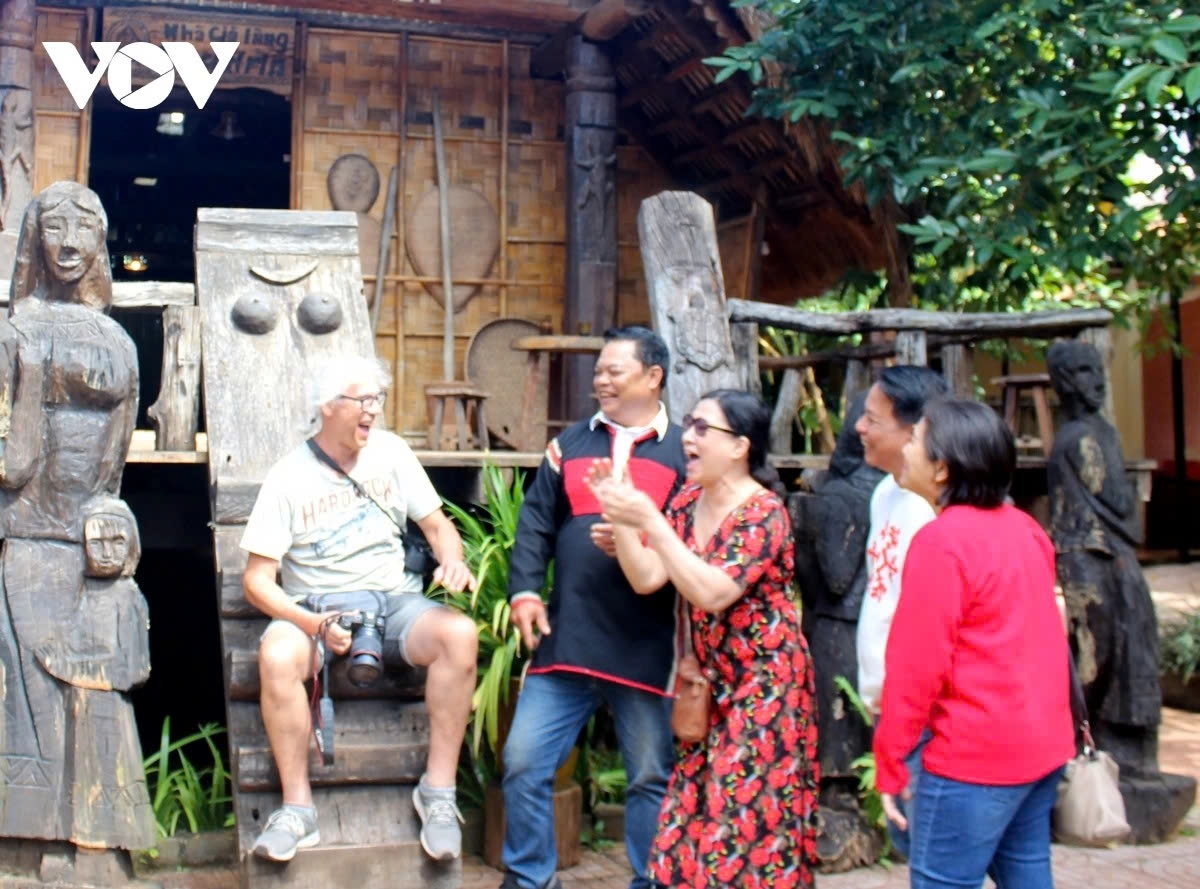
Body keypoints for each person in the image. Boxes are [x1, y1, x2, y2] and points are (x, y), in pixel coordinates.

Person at [240, 354, 480, 863]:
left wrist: (453, 561)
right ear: (328, 406)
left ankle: (437, 793)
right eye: (362, 400)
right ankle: (297, 811)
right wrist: (310, 623)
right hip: (316, 609)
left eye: (378, 400)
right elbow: (257, 583)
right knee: (278, 654)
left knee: (459, 635)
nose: (373, 411)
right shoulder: (289, 476)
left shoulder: (392, 454)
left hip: (393, 604)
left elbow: (438, 528)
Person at [590, 389, 819, 889]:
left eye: (701, 429)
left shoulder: (764, 514)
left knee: (745, 822)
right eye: (688, 424)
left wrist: (649, 520)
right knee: (689, 818)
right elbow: (648, 576)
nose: (687, 437)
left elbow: (713, 591)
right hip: (711, 683)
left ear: (739, 446)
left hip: (767, 687)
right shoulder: (688, 500)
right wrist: (626, 522)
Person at [500, 326, 686, 889]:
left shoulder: (685, 453)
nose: (600, 380)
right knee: (524, 762)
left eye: (614, 371)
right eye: (599, 371)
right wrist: (525, 590)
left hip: (648, 644)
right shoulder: (568, 446)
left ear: (653, 377)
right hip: (568, 635)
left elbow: (690, 540)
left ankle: (650, 881)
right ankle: (530, 879)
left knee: (651, 776)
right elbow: (534, 525)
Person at [873, 398, 1075, 889]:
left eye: (916, 438)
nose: (906, 446)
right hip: (1039, 746)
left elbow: (915, 668)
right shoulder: (1025, 529)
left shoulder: (943, 543)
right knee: (1028, 875)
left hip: (974, 757)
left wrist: (890, 759)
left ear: (941, 468)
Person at [0, 181, 144, 845]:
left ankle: (91, 835)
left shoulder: (116, 339)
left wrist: (111, 526)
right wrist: (30, 380)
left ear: (100, 243)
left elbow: (115, 451)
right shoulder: (14, 331)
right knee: (27, 697)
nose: (66, 243)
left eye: (82, 230)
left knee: (97, 693)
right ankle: (31, 838)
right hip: (27, 533)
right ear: (34, 238)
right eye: (53, 228)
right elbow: (12, 463)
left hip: (90, 538)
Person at [1046, 339, 1161, 774]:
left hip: (1106, 555)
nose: (1095, 383)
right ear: (1064, 382)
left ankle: (1117, 749)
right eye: (1083, 373)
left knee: (1123, 647)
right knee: (1095, 657)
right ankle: (1084, 749)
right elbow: (1119, 503)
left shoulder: (1099, 433)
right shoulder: (1080, 438)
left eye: (1096, 371)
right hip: (1087, 558)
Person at [853, 366, 948, 718]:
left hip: (923, 707)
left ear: (914, 431)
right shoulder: (884, 492)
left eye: (872, 420)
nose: (859, 428)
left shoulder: (937, 507)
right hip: (887, 702)